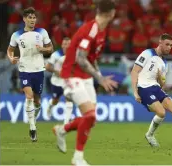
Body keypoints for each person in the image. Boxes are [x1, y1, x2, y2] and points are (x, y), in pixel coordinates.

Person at [52, 0, 117, 165]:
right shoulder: (92, 29)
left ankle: (62, 130)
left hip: (85, 77)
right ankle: (77, 158)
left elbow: (90, 59)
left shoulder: (102, 31)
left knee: (91, 120)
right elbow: (80, 59)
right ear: (111, 14)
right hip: (71, 75)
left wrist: (98, 75)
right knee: (89, 115)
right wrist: (100, 78)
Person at [7, 7, 53, 142]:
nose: (32, 20)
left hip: (39, 69)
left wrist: (43, 49)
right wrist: (11, 58)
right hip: (24, 69)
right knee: (29, 96)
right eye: (30, 18)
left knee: (37, 100)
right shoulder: (16, 35)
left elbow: (50, 48)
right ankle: (32, 127)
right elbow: (10, 50)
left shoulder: (42, 32)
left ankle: (35, 113)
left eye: (34, 18)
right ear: (24, 19)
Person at [45, 37, 73, 124]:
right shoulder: (56, 55)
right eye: (65, 44)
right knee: (55, 101)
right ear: (62, 45)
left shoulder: (74, 55)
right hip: (56, 81)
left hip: (68, 81)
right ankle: (50, 106)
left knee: (69, 99)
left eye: (68, 44)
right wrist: (57, 72)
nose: (66, 46)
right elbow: (48, 67)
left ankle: (66, 123)